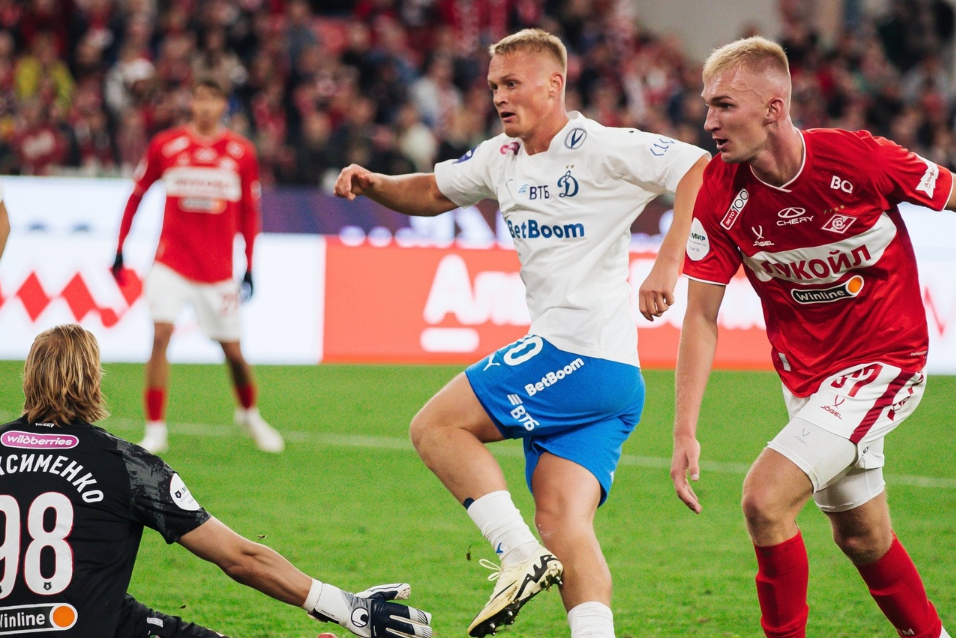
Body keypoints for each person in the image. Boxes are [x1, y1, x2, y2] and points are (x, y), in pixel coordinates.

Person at [335, 28, 709, 638]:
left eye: (512, 84)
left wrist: (669, 262)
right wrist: (376, 182)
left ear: (554, 85)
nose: (500, 97)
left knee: (435, 427)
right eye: (493, 87)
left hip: (577, 352)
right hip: (611, 377)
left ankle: (516, 555)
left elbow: (698, 166)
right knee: (564, 526)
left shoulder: (602, 146)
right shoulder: (499, 157)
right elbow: (432, 191)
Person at [671, 36, 952, 638]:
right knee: (862, 536)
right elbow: (700, 316)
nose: (708, 121)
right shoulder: (719, 191)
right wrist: (683, 429)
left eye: (724, 106)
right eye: (708, 105)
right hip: (807, 379)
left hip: (887, 361)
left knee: (764, 499)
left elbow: (952, 193)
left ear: (773, 108)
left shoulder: (861, 159)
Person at [0, 324, 434, 638]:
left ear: (28, 378)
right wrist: (345, 608)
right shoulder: (128, 465)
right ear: (94, 381)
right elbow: (240, 557)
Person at [112, 78, 283, 454]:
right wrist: (120, 247)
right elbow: (137, 194)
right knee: (160, 335)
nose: (205, 106)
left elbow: (250, 213)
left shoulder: (241, 152)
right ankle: (155, 429)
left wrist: (249, 266)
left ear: (224, 105)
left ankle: (249, 414)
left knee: (233, 352)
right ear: (190, 103)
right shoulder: (166, 145)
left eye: (213, 99)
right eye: (200, 98)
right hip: (170, 262)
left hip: (218, 271)